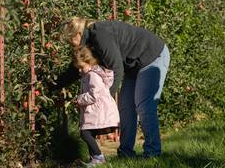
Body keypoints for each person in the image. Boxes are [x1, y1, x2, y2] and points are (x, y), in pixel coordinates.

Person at [50, 17, 170, 158]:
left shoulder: (99, 33)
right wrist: (55, 84)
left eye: (69, 39)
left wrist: (107, 98)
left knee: (144, 105)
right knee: (126, 107)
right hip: (133, 65)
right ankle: (126, 153)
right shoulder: (88, 43)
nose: (70, 44)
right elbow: (77, 68)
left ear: (78, 34)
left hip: (152, 56)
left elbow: (116, 67)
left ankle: (152, 153)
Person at [73, 46, 119, 166]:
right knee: (89, 133)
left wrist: (79, 100)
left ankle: (98, 157)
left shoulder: (93, 75)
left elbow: (94, 95)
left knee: (85, 133)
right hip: (95, 112)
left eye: (81, 67)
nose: (79, 71)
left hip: (99, 112)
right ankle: (94, 159)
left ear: (89, 62)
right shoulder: (88, 75)